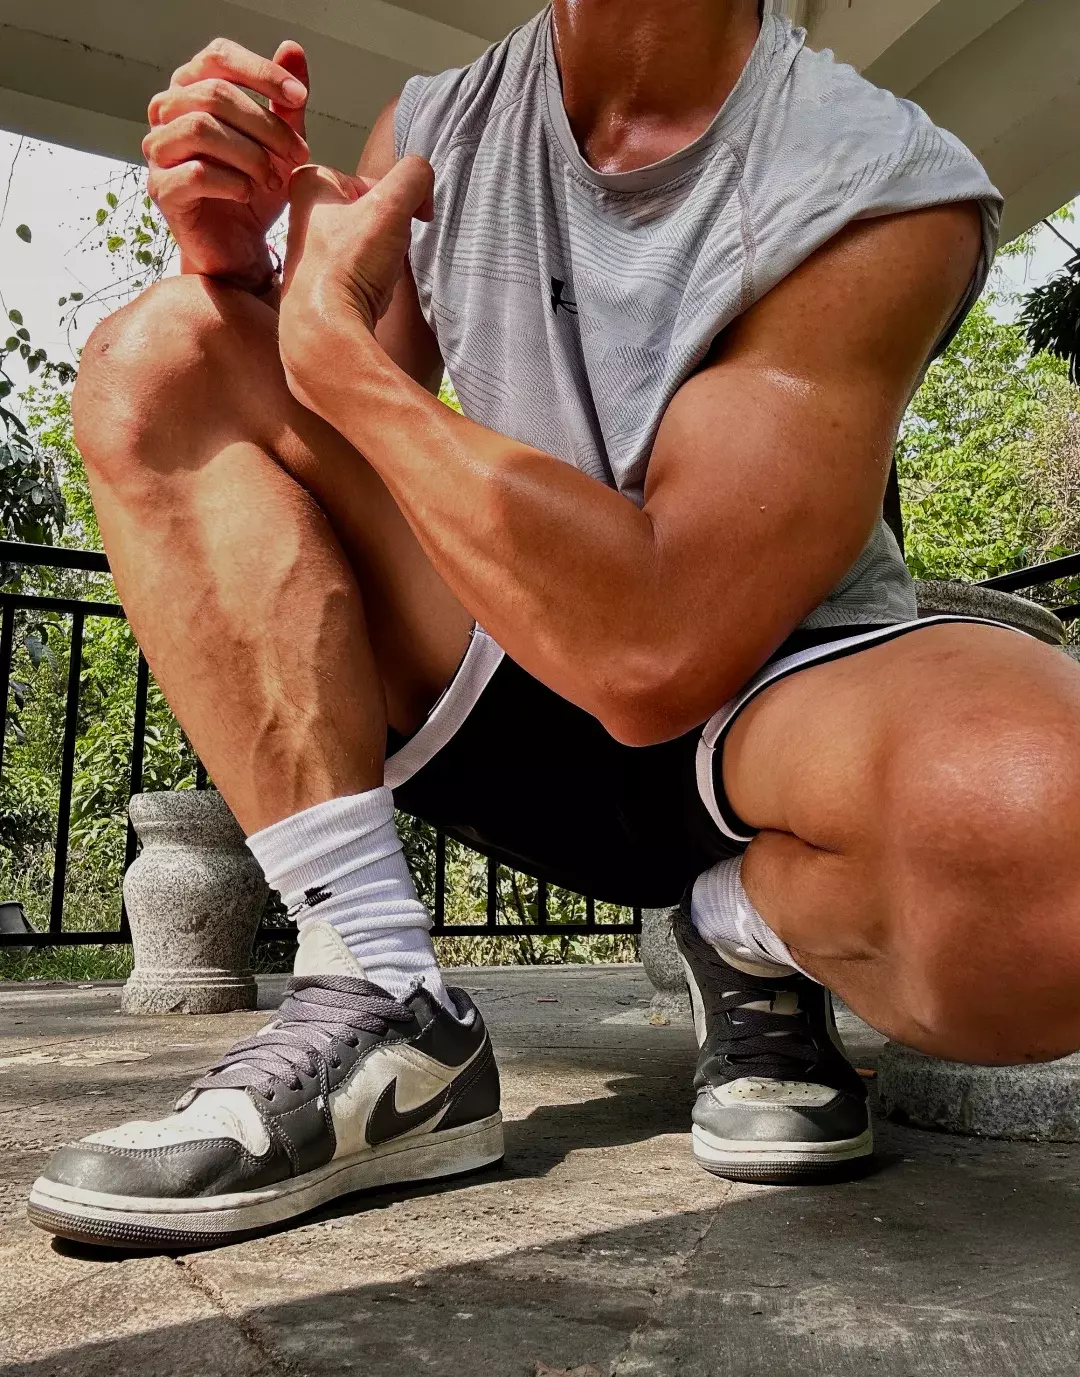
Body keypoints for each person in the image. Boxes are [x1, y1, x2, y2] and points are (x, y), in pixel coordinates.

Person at [27, 0, 1080, 1248]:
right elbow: (340, 450)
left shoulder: (884, 181)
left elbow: (662, 651)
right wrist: (244, 281)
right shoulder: (438, 125)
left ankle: (746, 933)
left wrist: (333, 356)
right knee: (169, 350)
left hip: (772, 710)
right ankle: (381, 997)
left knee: (1056, 840)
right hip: (506, 668)